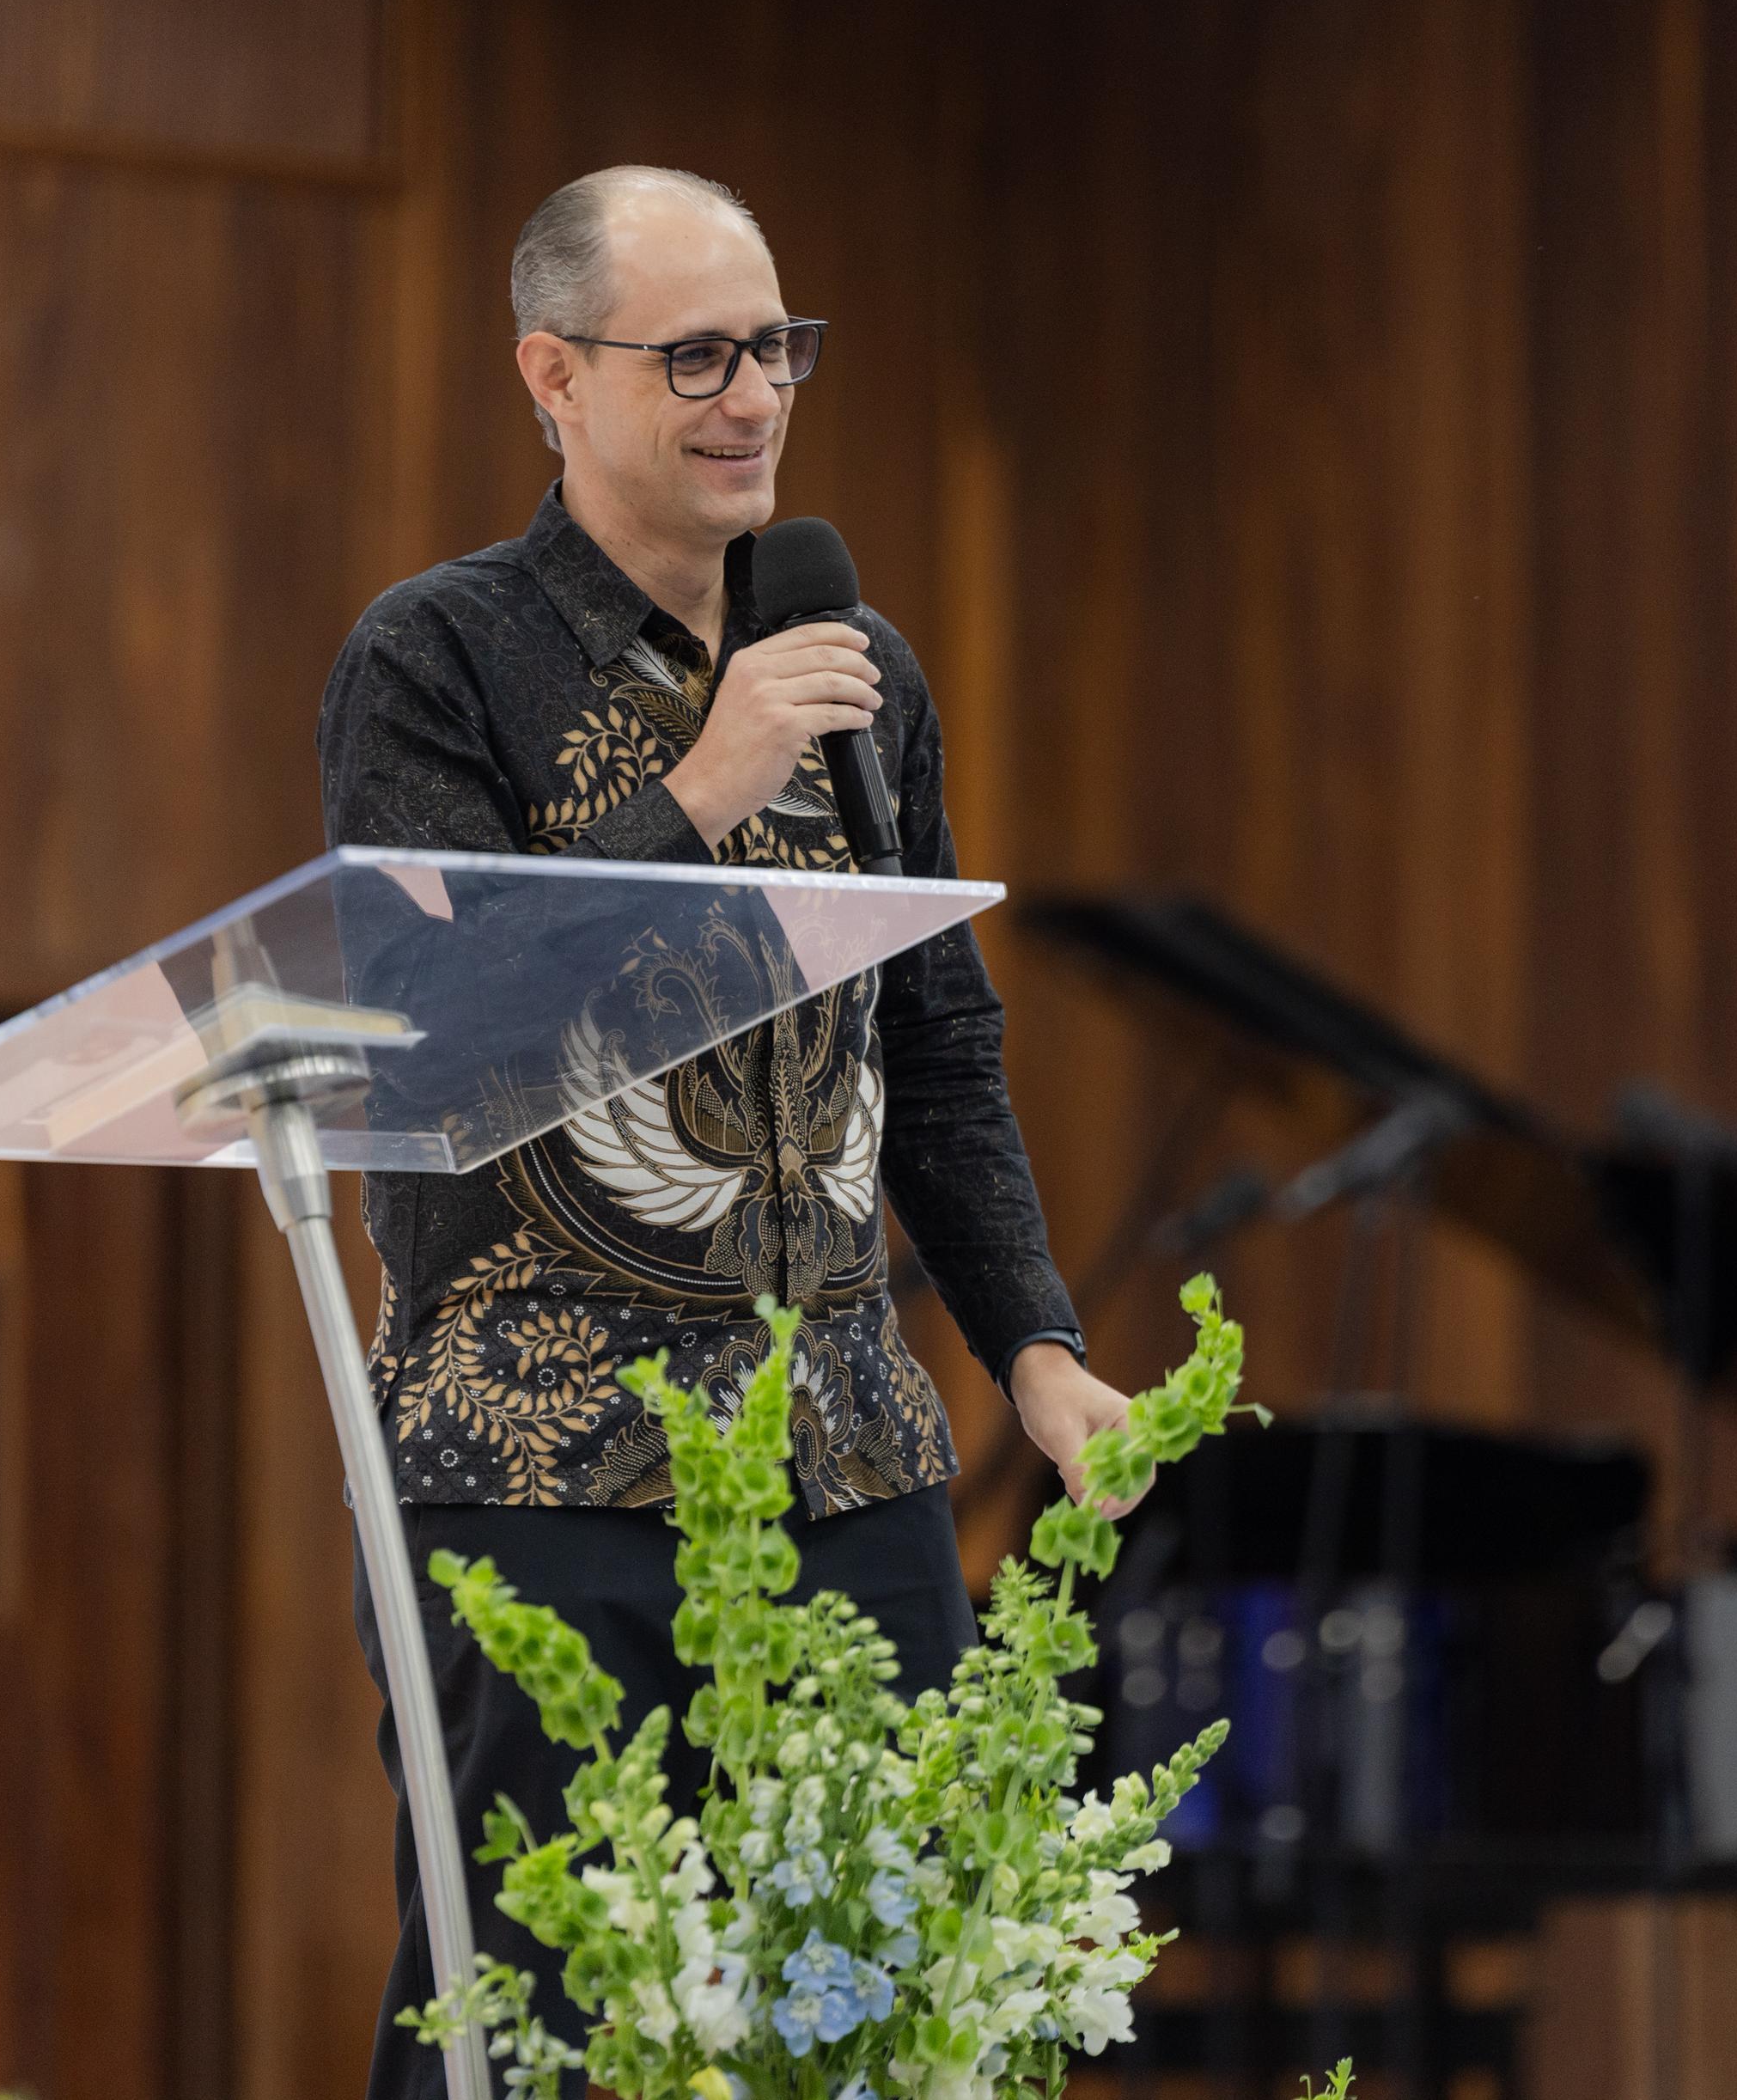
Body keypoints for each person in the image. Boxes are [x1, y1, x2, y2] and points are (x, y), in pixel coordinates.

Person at [318, 164, 1134, 2098]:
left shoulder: (859, 669)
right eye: (695, 355)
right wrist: (700, 789)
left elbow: (936, 1044)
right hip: (539, 1462)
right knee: (537, 2025)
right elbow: (442, 1036)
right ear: (554, 376)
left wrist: (1034, 1344)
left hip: (847, 1457)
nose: (754, 394)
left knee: (895, 2013)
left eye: (775, 348)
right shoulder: (437, 657)